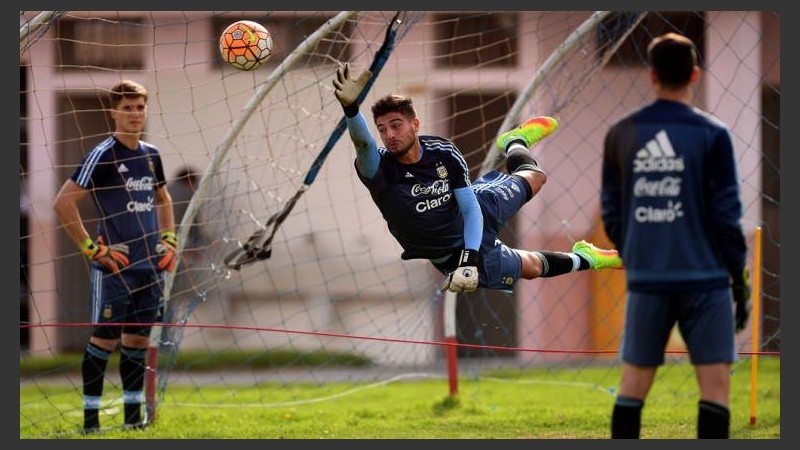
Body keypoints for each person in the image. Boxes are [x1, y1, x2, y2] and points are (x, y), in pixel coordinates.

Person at [331, 63, 622, 295]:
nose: (389, 135)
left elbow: (470, 208)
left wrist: (469, 258)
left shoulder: (443, 153)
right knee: (532, 268)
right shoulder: (378, 168)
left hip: (476, 212)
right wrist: (351, 109)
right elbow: (363, 144)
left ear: (415, 124)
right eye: (382, 129)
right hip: (450, 254)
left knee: (535, 177)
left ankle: (515, 141)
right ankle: (589, 257)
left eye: (396, 125)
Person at [599, 33, 750, 439]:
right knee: (715, 388)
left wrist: (637, 251)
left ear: (652, 75)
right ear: (695, 75)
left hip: (648, 279)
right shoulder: (713, 134)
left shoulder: (621, 132)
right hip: (706, 280)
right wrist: (738, 279)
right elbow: (727, 216)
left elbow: (611, 210)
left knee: (633, 384)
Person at [53, 79, 177, 433]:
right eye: (127, 108)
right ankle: (90, 423)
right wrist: (92, 248)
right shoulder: (103, 154)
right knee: (104, 341)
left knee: (137, 342)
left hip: (149, 267)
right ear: (113, 112)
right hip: (115, 268)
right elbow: (63, 203)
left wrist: (169, 240)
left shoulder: (151, 154)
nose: (135, 114)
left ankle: (133, 421)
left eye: (140, 107)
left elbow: (164, 199)